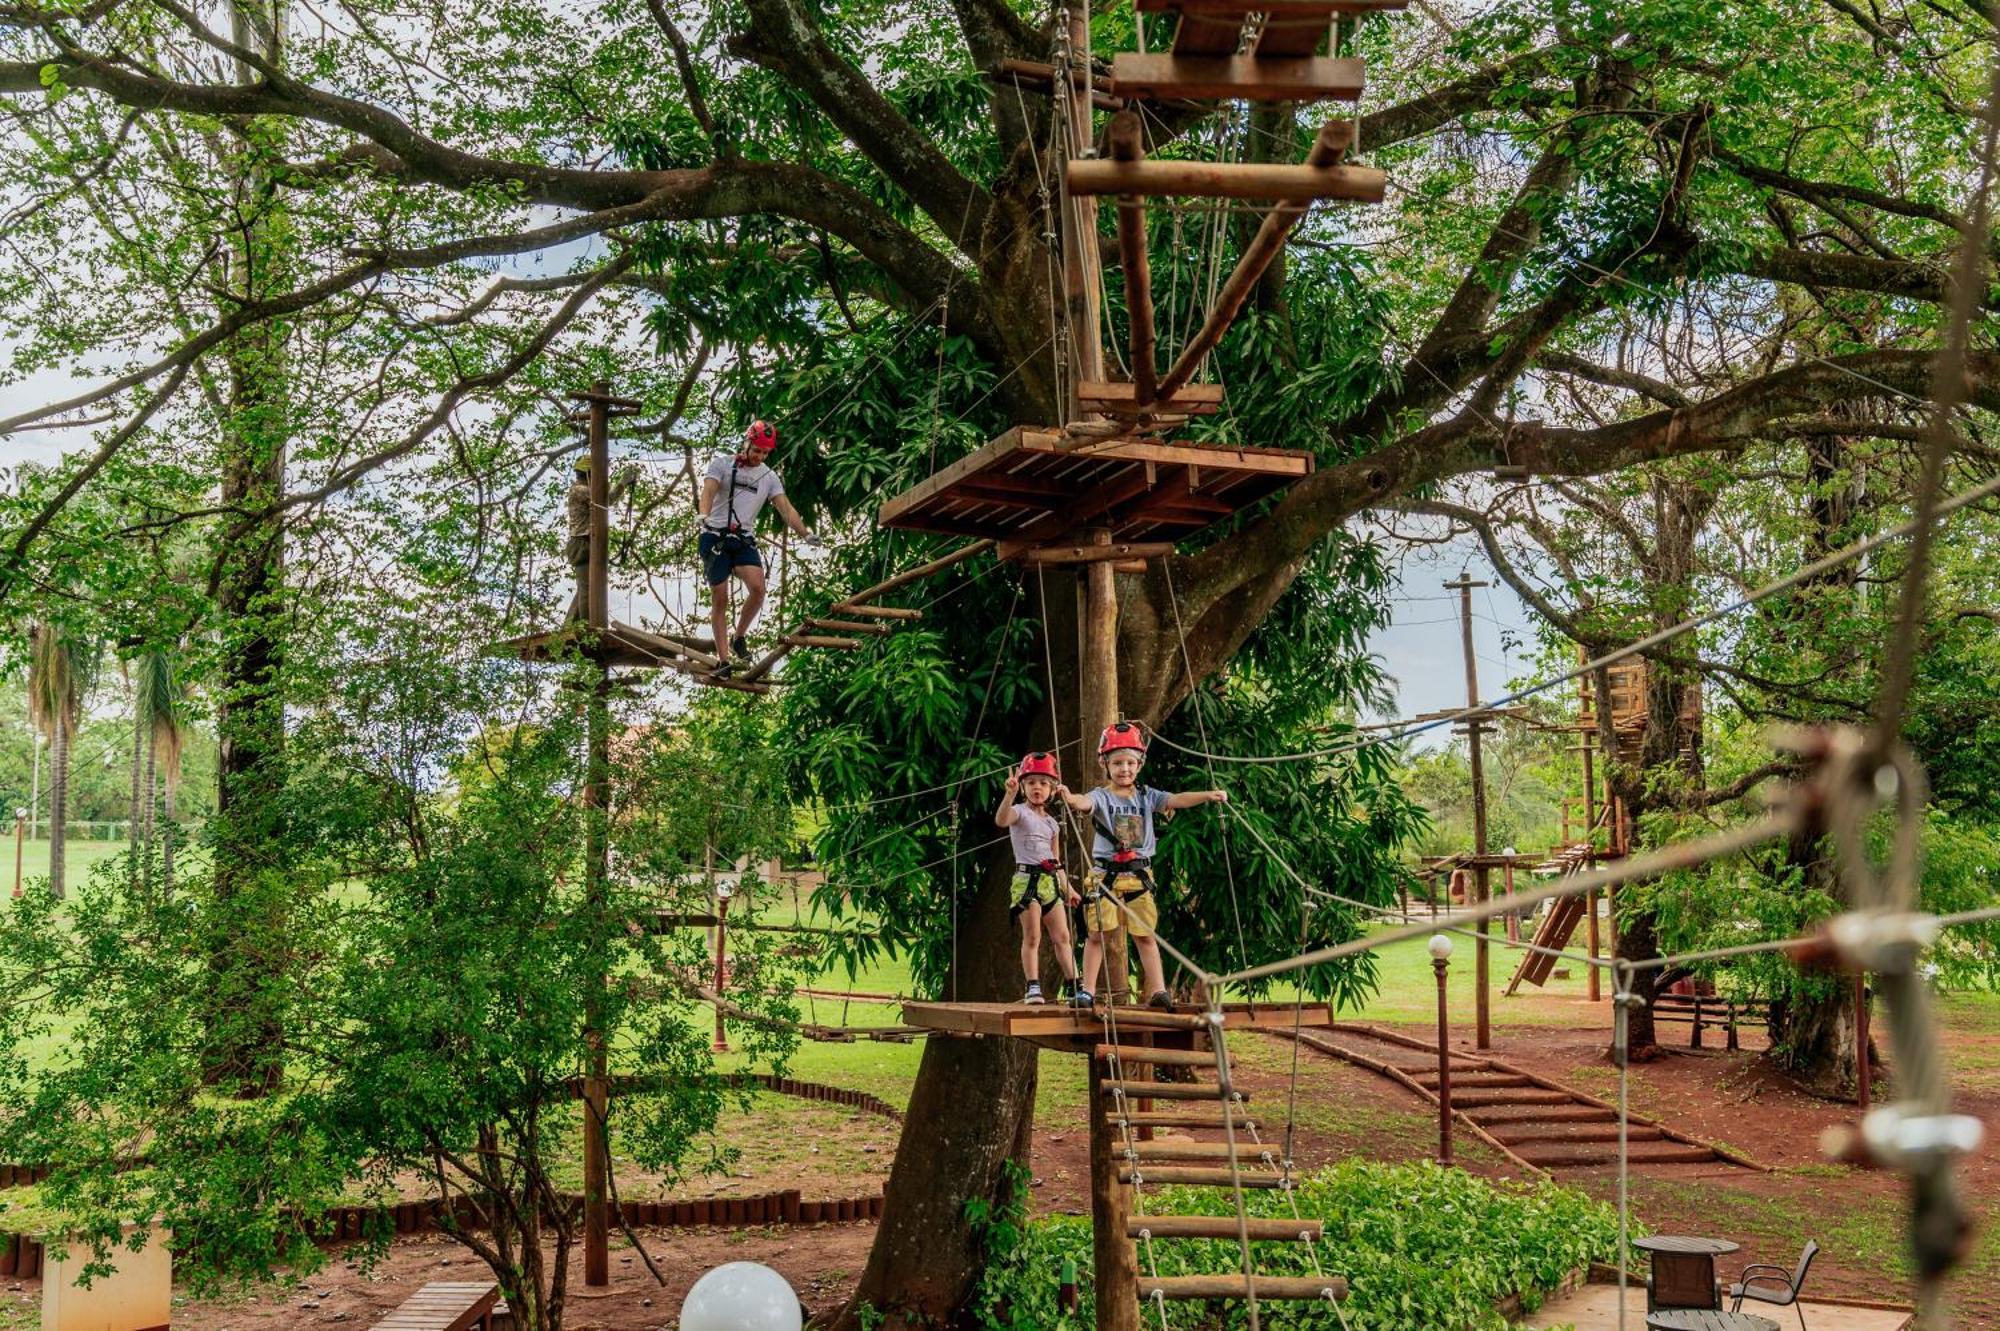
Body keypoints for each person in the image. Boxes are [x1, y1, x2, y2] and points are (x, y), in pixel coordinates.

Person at [1057, 721, 1226, 1011]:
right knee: (1097, 935)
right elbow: (1083, 803)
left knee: (1145, 936)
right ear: (1105, 763)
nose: (1125, 769)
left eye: (1131, 763)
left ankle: (1159, 989)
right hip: (1105, 876)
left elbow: (1176, 799)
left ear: (1139, 764)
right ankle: (1087, 991)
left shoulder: (1148, 796)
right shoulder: (1101, 796)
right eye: (1118, 763)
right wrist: (1069, 797)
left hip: (1138, 877)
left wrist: (1207, 796)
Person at [699, 420, 817, 675]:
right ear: (747, 443)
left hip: (742, 539)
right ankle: (723, 660)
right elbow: (708, 490)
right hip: (715, 537)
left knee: (758, 589)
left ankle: (738, 637)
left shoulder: (769, 476)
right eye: (756, 451)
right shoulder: (722, 464)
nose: (759, 456)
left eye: (765, 453)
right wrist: (703, 514)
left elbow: (785, 508)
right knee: (720, 597)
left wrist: (805, 533)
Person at [994, 751, 1082, 1005]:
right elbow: (1001, 820)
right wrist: (1009, 795)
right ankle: (1033, 986)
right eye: (1031, 782)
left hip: (1049, 882)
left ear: (1052, 789)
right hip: (1026, 881)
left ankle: (1074, 984)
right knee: (1033, 936)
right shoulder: (1019, 812)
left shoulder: (1053, 824)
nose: (1037, 788)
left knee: (1062, 936)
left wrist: (1069, 890)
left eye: (1044, 783)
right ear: (1023, 786)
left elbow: (1056, 863)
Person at [565, 455, 635, 621]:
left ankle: (574, 623)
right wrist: (622, 483)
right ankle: (587, 626)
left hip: (588, 541)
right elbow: (605, 500)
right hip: (581, 542)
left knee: (588, 586)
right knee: (587, 587)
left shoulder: (584, 489)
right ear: (589, 474)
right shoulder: (580, 490)